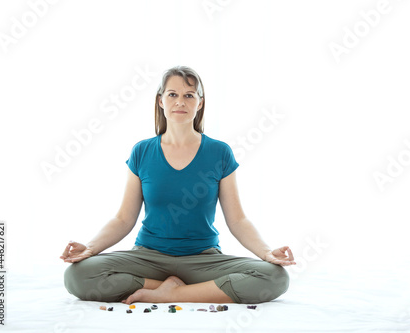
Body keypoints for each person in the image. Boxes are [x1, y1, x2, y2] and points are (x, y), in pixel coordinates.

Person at [61, 65, 295, 305]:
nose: (180, 102)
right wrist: (90, 248)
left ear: (200, 103)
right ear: (161, 101)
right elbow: (123, 219)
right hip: (148, 258)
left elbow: (237, 220)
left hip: (202, 259)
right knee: (78, 275)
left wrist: (266, 253)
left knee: (274, 277)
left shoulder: (220, 153)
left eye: (189, 95)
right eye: (172, 94)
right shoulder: (142, 151)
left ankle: (173, 293)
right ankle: (182, 288)